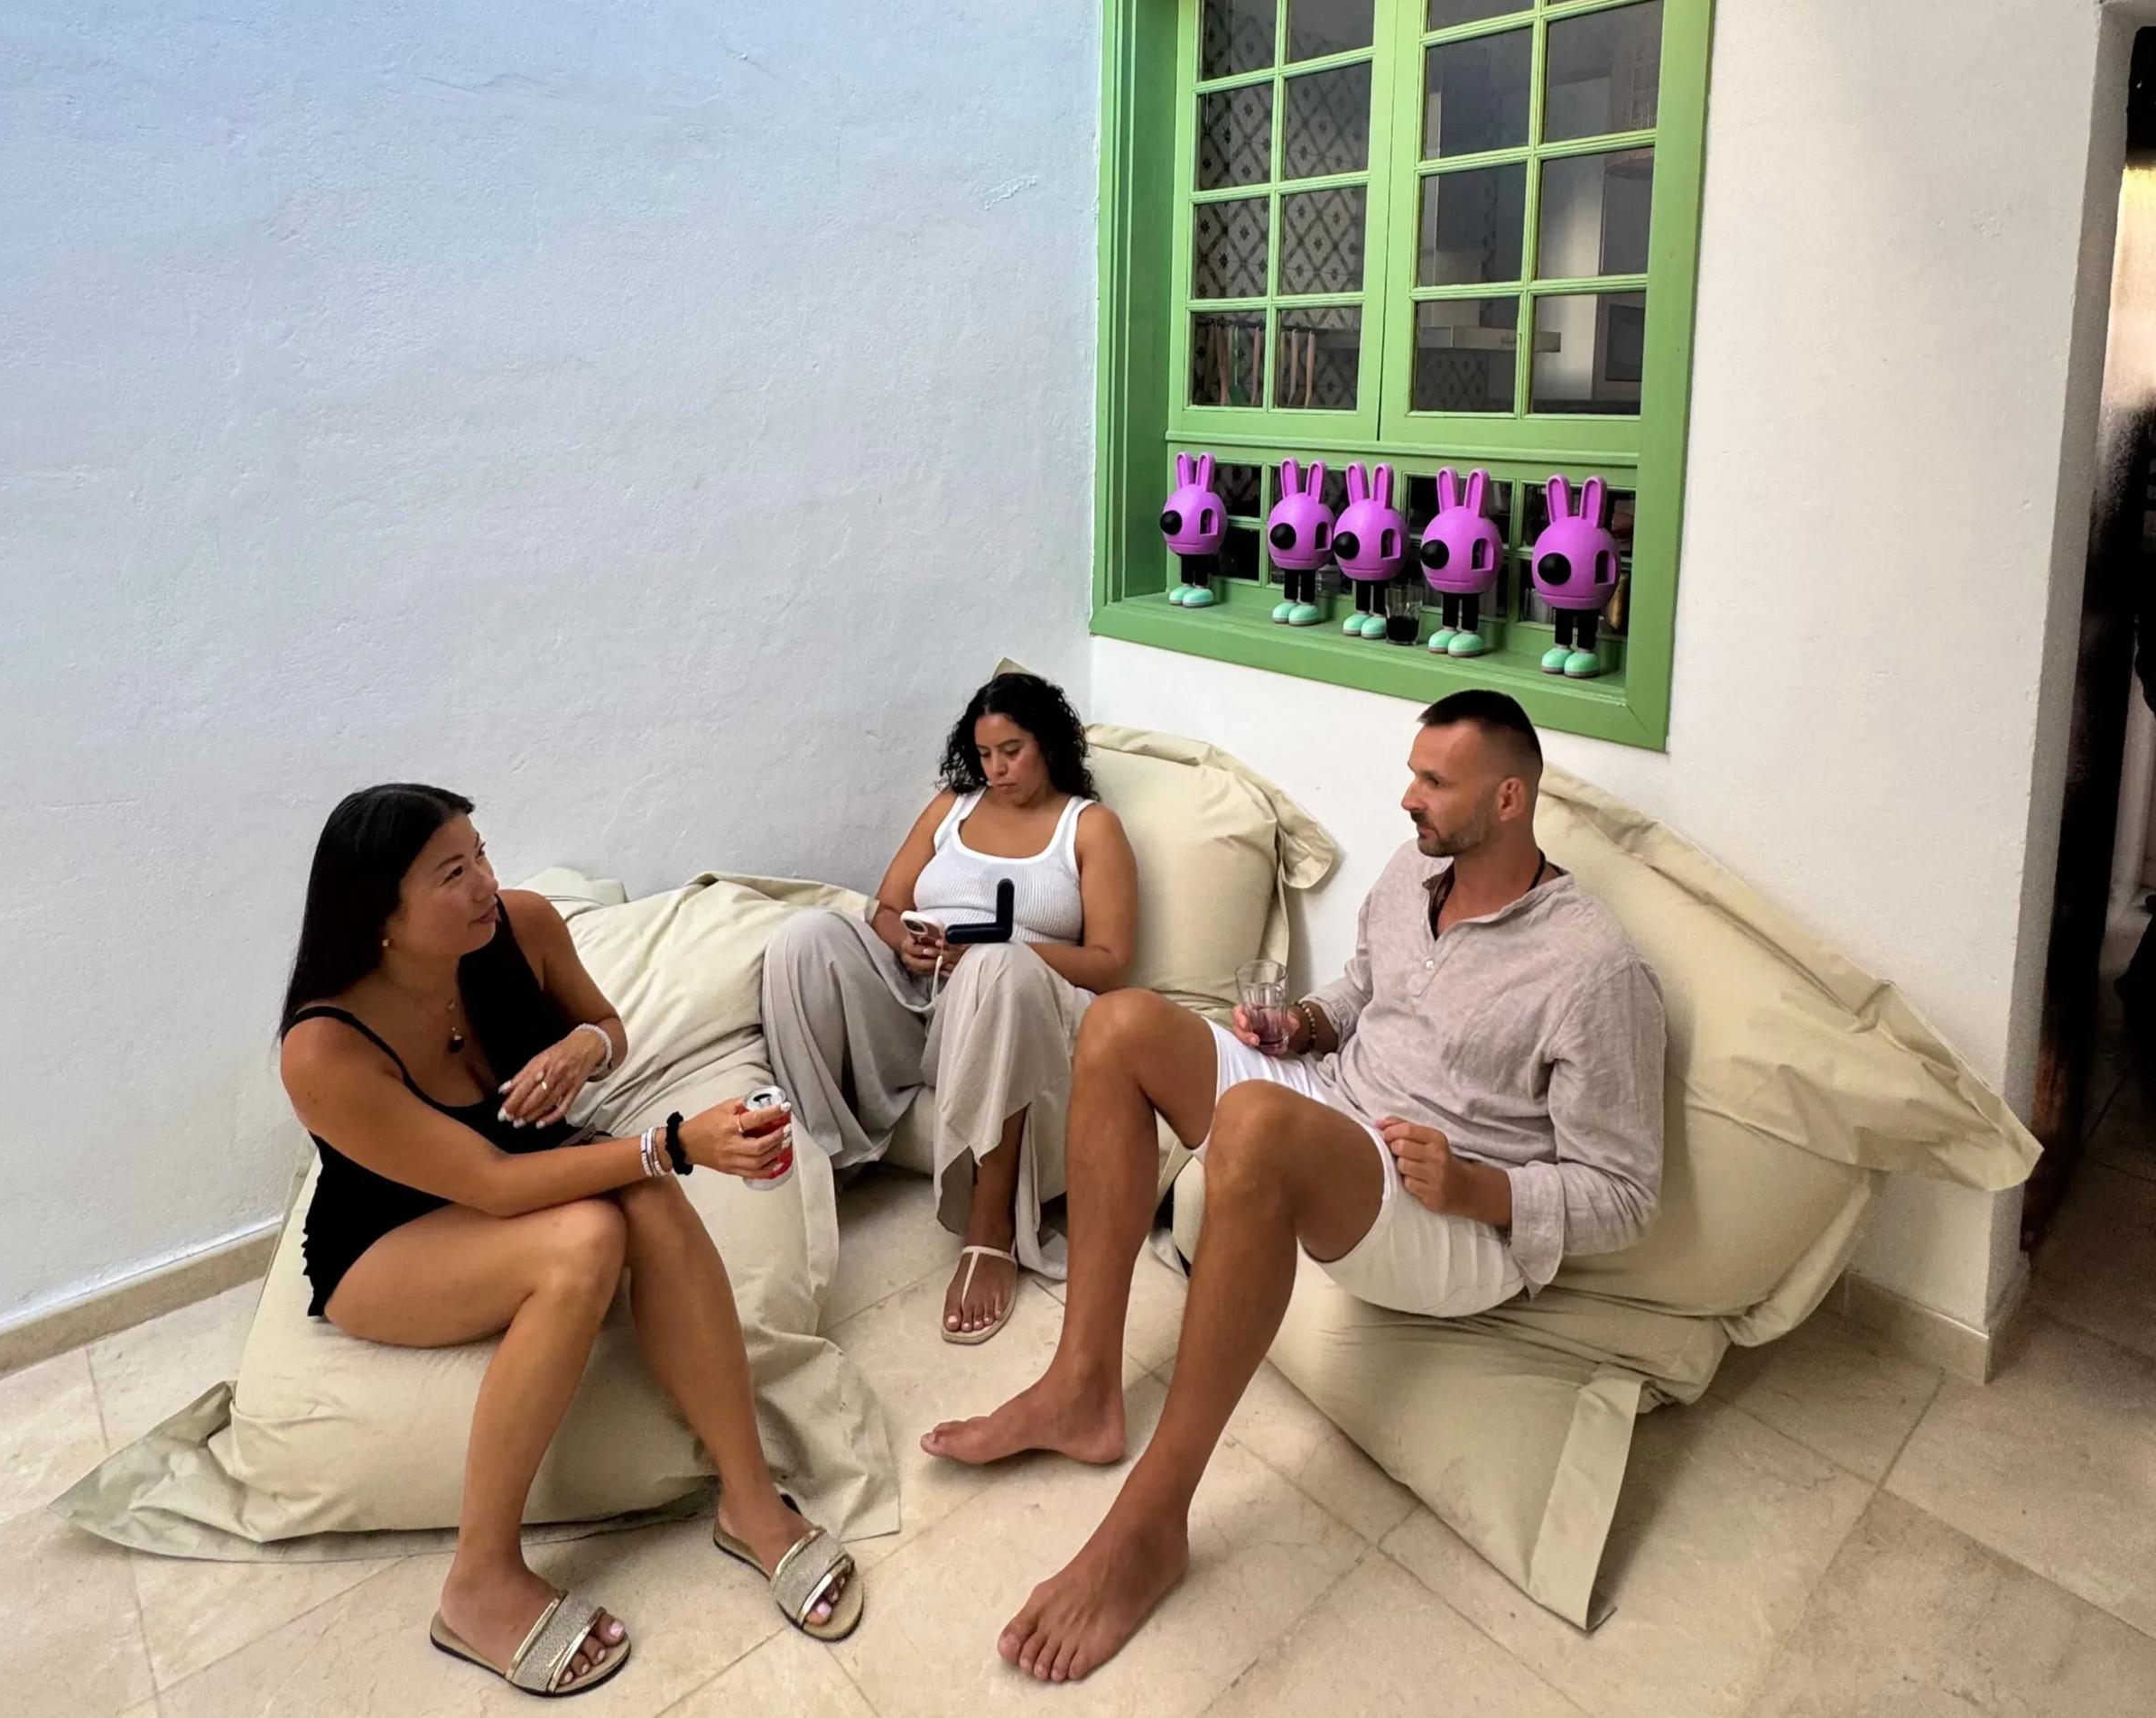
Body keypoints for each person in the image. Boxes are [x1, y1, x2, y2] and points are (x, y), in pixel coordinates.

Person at [922, 691, 1667, 1682]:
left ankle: (1151, 1524)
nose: (1407, 797)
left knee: (1256, 1124)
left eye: (1433, 781)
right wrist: (1304, 1026)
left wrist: (1481, 1189)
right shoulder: (1415, 870)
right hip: (1338, 1106)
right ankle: (1081, 1387)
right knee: (1120, 1023)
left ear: (1508, 799)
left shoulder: (1594, 969)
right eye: (1412, 773)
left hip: (1449, 1207)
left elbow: (1625, 1193)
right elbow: (1363, 991)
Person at [279, 784, 862, 1700]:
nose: (485, 882)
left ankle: (750, 1501)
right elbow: (488, 1183)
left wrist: (584, 1048)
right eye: (451, 873)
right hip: (388, 1236)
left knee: (648, 1203)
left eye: (480, 854)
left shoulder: (523, 924)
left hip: (516, 1168)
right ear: (379, 913)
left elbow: (610, 1031)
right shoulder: (323, 1047)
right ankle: (476, 1582)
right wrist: (675, 1142)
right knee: (588, 1235)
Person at [761, 672, 1138, 1342]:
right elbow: (886, 906)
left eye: (1012, 751)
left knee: (998, 965)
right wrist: (906, 943)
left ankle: (990, 1229)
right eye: (985, 754)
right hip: (927, 991)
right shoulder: (952, 808)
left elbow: (1111, 960)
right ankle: (826, 1161)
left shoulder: (1089, 826)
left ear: (1049, 744)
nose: (997, 769)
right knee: (805, 938)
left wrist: (1003, 951)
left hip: (1021, 1004)